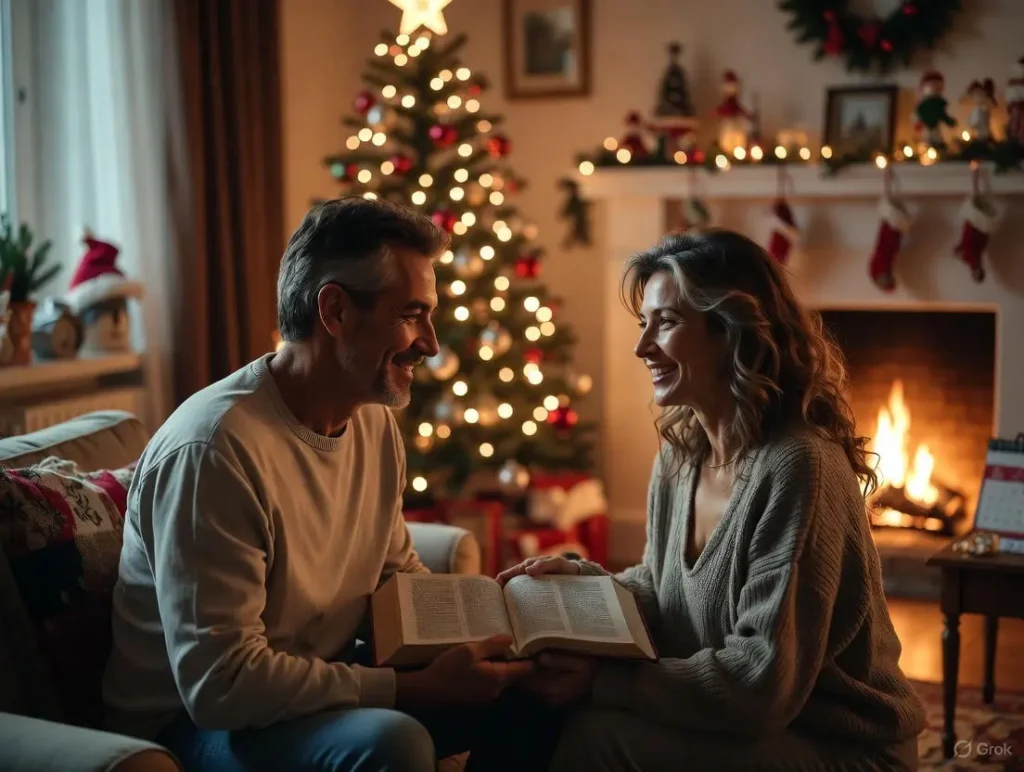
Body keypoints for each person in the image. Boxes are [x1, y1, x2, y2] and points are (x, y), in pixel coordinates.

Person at [102, 197, 533, 772]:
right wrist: (411, 688)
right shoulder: (214, 451)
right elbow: (221, 686)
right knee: (393, 742)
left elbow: (394, 577)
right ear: (335, 311)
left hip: (310, 694)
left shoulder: (373, 421)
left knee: (534, 695)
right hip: (190, 729)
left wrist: (500, 624)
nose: (430, 343)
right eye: (411, 315)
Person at [485, 228, 927, 771]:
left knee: (595, 738)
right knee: (529, 707)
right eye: (644, 323)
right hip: (753, 727)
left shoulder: (799, 466)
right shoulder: (681, 453)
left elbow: (759, 686)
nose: (642, 347)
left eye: (667, 322)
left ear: (732, 332)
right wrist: (586, 585)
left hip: (842, 743)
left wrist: (605, 681)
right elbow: (662, 588)